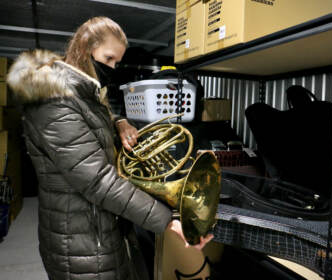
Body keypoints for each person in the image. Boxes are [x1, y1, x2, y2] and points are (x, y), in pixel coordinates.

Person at [6, 16, 213, 280]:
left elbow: (91, 115)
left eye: (117, 61)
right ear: (85, 48)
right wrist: (167, 220)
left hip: (101, 232)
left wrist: (119, 121)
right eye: (109, 59)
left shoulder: (81, 93)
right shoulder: (53, 101)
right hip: (79, 243)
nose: (113, 68)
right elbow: (98, 181)